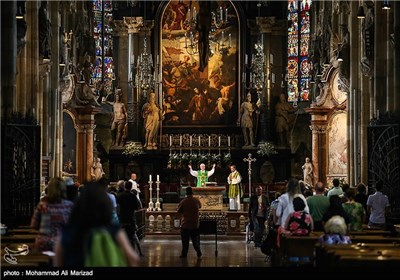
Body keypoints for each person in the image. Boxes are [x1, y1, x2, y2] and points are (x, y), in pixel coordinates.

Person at [53, 181, 139, 266]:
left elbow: (58, 262)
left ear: (79, 205)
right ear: (105, 206)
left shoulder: (67, 233)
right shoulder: (114, 231)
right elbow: (133, 258)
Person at [31, 177, 74, 252]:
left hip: (44, 243)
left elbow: (33, 225)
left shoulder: (42, 205)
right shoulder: (69, 206)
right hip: (62, 243)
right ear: (64, 189)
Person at [117, 181, 144, 256]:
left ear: (125, 186)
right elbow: (136, 207)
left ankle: (121, 253)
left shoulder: (119, 195)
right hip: (130, 219)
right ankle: (132, 253)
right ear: (131, 187)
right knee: (131, 237)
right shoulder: (133, 196)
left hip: (122, 218)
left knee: (122, 236)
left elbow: (117, 207)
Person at [177, 187, 202, 258]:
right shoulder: (196, 200)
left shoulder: (183, 201)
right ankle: (198, 251)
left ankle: (184, 254)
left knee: (185, 241)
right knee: (195, 241)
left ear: (186, 193)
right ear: (192, 193)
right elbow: (200, 206)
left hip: (186, 224)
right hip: (195, 224)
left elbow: (179, 211)